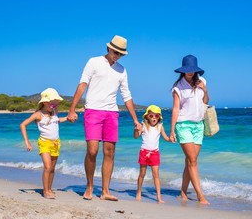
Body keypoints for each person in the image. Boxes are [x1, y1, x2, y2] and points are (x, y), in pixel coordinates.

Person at [67, 35, 141, 201]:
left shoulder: (122, 70)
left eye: (121, 54)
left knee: (110, 152)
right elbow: (82, 84)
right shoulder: (93, 62)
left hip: (112, 113)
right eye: (116, 52)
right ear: (109, 48)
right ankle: (90, 186)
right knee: (92, 151)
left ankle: (105, 191)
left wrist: (135, 120)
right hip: (93, 110)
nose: (117, 55)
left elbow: (126, 95)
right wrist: (72, 109)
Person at [170, 55, 210, 204]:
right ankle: (200, 196)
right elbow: (175, 109)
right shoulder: (178, 87)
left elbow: (206, 101)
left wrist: (204, 90)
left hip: (199, 126)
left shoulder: (202, 82)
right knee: (192, 160)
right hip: (183, 125)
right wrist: (172, 131)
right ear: (182, 70)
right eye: (187, 70)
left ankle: (183, 193)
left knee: (190, 160)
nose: (190, 72)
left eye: (192, 70)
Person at [20, 88, 68, 199]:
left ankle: (49, 189)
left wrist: (67, 118)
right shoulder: (38, 114)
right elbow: (23, 125)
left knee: (52, 167)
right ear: (44, 103)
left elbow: (56, 121)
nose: (54, 108)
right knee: (47, 166)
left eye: (56, 106)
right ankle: (45, 191)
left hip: (56, 143)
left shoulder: (55, 112)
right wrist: (27, 142)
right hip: (44, 143)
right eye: (52, 105)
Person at [134, 105, 172, 203]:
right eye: (151, 116)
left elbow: (166, 138)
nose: (154, 117)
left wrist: (171, 139)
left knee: (156, 175)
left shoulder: (160, 127)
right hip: (144, 153)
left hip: (155, 154)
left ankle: (159, 196)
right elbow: (135, 137)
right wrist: (136, 130)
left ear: (159, 117)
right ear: (147, 117)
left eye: (156, 115)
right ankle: (138, 191)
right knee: (142, 173)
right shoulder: (143, 126)